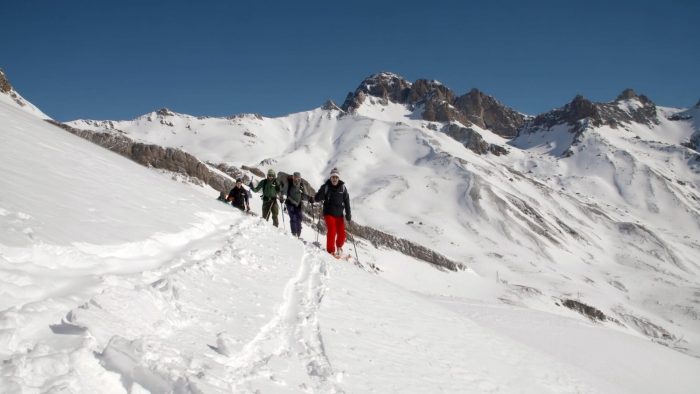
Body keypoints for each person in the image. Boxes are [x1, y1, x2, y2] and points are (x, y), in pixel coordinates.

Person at [313, 167, 351, 257]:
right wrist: (320, 196)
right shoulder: (325, 187)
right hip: (328, 213)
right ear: (330, 178)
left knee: (342, 233)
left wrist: (348, 213)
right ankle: (331, 250)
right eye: (333, 177)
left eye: (336, 177)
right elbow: (316, 197)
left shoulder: (343, 188)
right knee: (332, 231)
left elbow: (346, 201)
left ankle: (339, 246)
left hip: (339, 214)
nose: (335, 179)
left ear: (339, 178)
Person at [284, 172, 307, 238]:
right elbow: (282, 191)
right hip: (290, 203)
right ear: (293, 178)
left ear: (300, 179)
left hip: (298, 205)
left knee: (299, 219)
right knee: (293, 217)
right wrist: (281, 196)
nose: (296, 180)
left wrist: (310, 199)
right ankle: (294, 233)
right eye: (295, 178)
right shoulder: (290, 184)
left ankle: (298, 235)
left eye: (298, 179)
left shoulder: (302, 185)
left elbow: (306, 195)